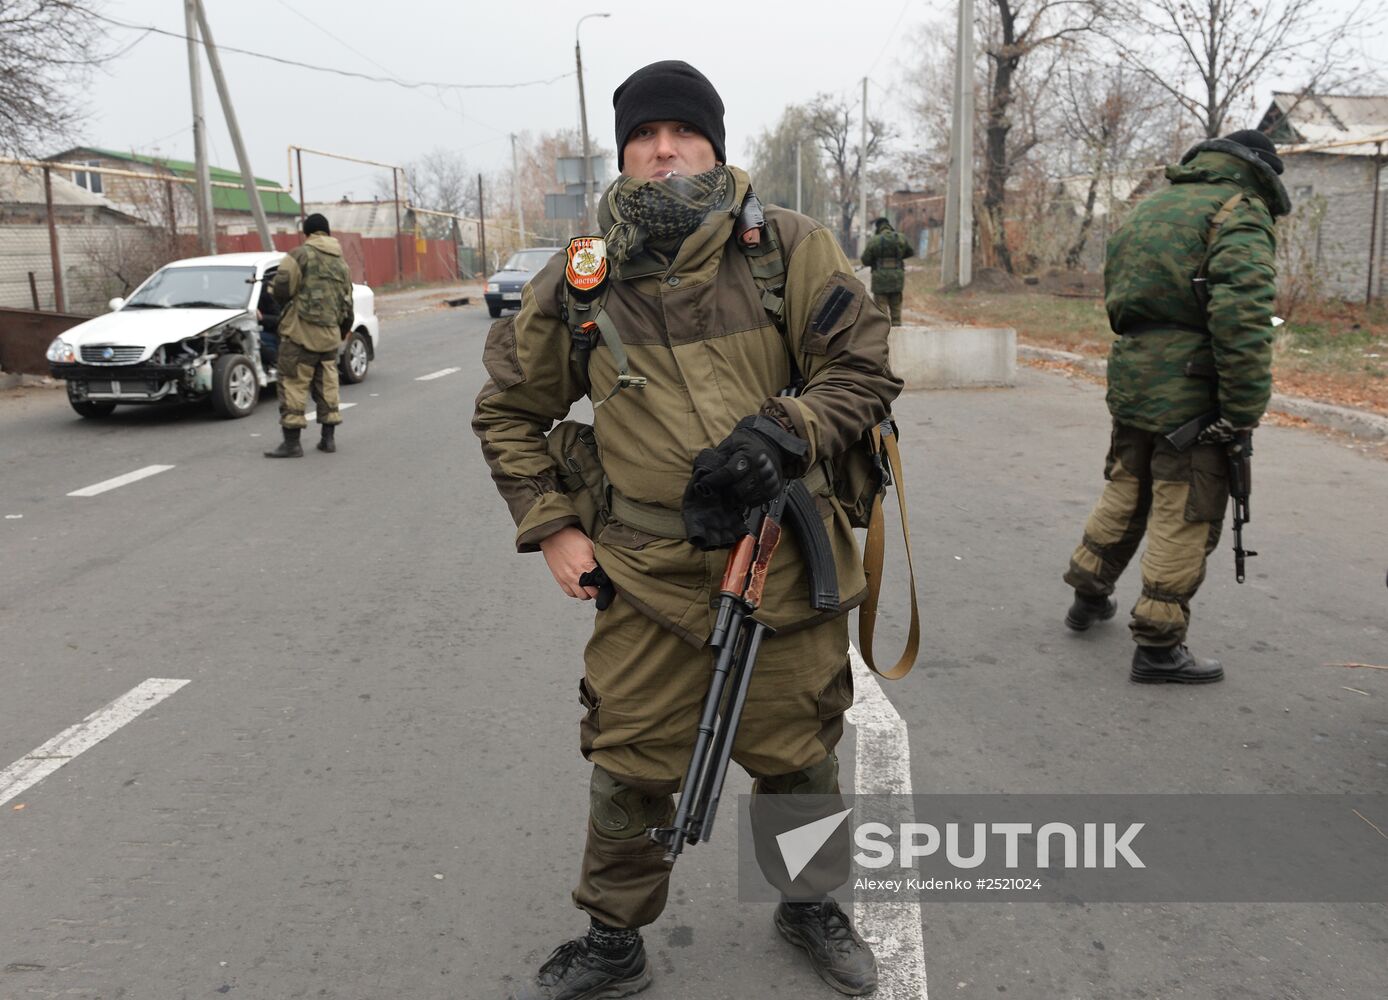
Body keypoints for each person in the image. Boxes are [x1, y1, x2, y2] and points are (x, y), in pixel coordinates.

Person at [473, 60, 901, 999]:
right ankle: (614, 939)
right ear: (623, 151)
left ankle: (809, 903)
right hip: (645, 569)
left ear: (713, 142)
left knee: (799, 751)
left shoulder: (786, 248)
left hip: (779, 552)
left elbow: (863, 368)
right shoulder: (581, 279)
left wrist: (783, 433)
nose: (663, 151)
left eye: (683, 133)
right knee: (630, 761)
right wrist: (553, 529)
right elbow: (507, 412)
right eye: (643, 135)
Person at [1062, 129, 1291, 683]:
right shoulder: (1238, 212)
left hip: (1134, 374)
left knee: (1126, 487)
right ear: (1259, 171)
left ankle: (1088, 597)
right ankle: (1160, 647)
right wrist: (1241, 411)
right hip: (1192, 389)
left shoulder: (1151, 207)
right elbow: (1242, 320)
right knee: (1186, 510)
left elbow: (1120, 297)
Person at [263, 213, 353, 458]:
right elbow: (348, 304)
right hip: (330, 336)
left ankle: (292, 444)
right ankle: (328, 439)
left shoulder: (298, 255)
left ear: (308, 233)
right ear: (328, 232)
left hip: (300, 335)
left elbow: (281, 290)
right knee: (327, 386)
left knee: (292, 383)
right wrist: (340, 332)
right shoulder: (341, 264)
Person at [859, 216, 914, 325]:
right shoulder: (900, 238)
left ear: (877, 227)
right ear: (889, 225)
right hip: (897, 278)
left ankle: (884, 336)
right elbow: (910, 252)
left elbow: (865, 260)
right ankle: (897, 332)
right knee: (896, 310)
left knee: (881, 311)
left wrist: (875, 261)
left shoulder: (874, 240)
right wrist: (898, 257)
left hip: (879, 280)